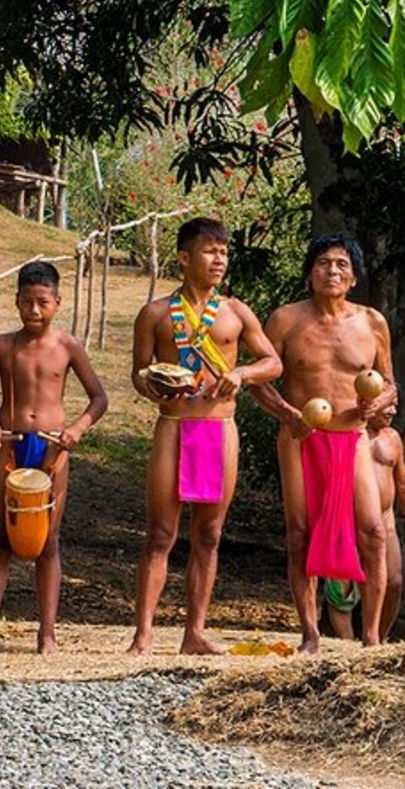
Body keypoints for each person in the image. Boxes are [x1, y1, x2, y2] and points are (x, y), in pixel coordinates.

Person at [126, 217, 283, 656]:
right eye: (211, 251)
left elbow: (273, 362)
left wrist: (241, 373)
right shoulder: (155, 313)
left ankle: (194, 632)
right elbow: (138, 374)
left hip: (219, 427)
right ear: (184, 257)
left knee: (209, 534)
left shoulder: (235, 311)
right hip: (174, 426)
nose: (220, 260)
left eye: (224, 252)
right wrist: (151, 383)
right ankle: (143, 635)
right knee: (160, 533)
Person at [252, 231, 396, 650]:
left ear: (353, 279)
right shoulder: (285, 319)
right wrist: (287, 414)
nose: (331, 271)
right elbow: (259, 378)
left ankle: (370, 637)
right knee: (299, 533)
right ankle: (310, 633)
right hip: (301, 436)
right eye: (323, 264)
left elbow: (390, 385)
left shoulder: (372, 322)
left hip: (351, 438)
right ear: (309, 274)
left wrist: (378, 405)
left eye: (341, 265)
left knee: (371, 530)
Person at [0, 262, 108, 654]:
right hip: (9, 445)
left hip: (52, 449)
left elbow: (99, 397)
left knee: (49, 541)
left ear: (57, 303)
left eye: (43, 302)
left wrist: (76, 429)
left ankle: (47, 635)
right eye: (27, 302)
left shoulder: (67, 346)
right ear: (16, 302)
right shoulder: (3, 345)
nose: (34, 310)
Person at [321, 400, 405, 642]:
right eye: (388, 405)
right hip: (346, 517)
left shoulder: (393, 438)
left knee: (394, 582)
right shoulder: (348, 433)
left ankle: (379, 637)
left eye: (396, 405)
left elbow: (403, 482)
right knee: (340, 587)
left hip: (385, 519)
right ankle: (346, 642)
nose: (393, 411)